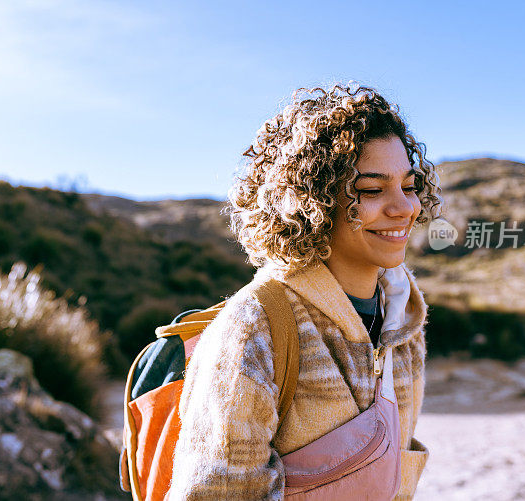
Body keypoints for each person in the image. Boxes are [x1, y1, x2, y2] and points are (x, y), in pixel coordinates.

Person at [168, 83, 442, 500]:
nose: (404, 207)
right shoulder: (254, 327)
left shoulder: (404, 323)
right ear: (311, 201)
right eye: (371, 190)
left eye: (408, 184)